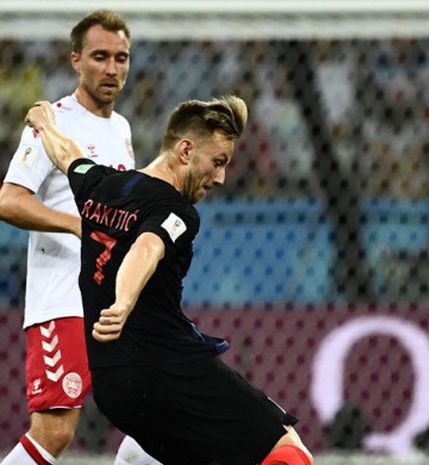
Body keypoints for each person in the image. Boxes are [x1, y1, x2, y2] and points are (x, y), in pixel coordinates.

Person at [24, 95, 314, 465]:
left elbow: (67, 155)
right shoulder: (177, 211)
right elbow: (146, 248)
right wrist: (123, 302)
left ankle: (136, 457)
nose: (221, 178)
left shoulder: (100, 186)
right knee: (288, 453)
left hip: (116, 390)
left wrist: (44, 123)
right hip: (168, 372)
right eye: (218, 162)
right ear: (186, 150)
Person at [0, 10, 157, 465]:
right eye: (100, 57)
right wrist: (77, 226)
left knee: (158, 415)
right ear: (76, 60)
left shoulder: (122, 128)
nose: (111, 69)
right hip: (63, 301)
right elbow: (9, 200)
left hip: (112, 304)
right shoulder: (51, 123)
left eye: (121, 58)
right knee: (54, 432)